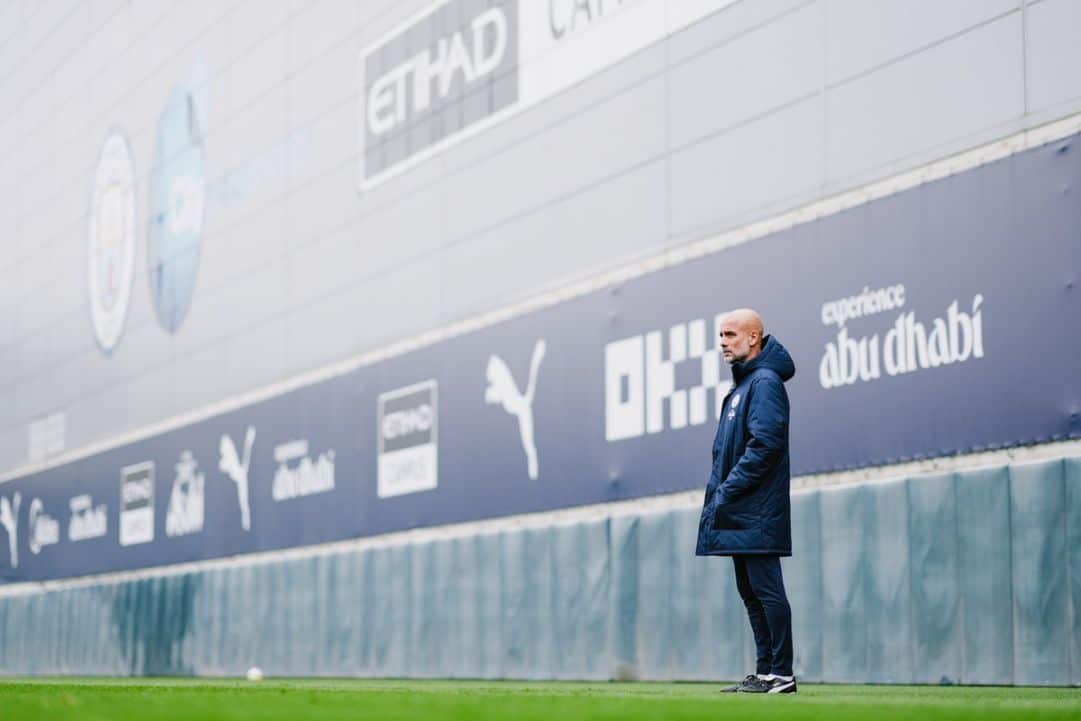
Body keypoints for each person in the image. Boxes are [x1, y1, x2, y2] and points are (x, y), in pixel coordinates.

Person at [696, 308, 797, 694]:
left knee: (766, 590)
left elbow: (765, 445)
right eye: (721, 335)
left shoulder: (765, 382)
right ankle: (765, 672)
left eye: (731, 334)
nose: (723, 342)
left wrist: (727, 490)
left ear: (753, 337)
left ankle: (782, 675)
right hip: (739, 510)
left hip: (756, 509)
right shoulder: (744, 385)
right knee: (751, 592)